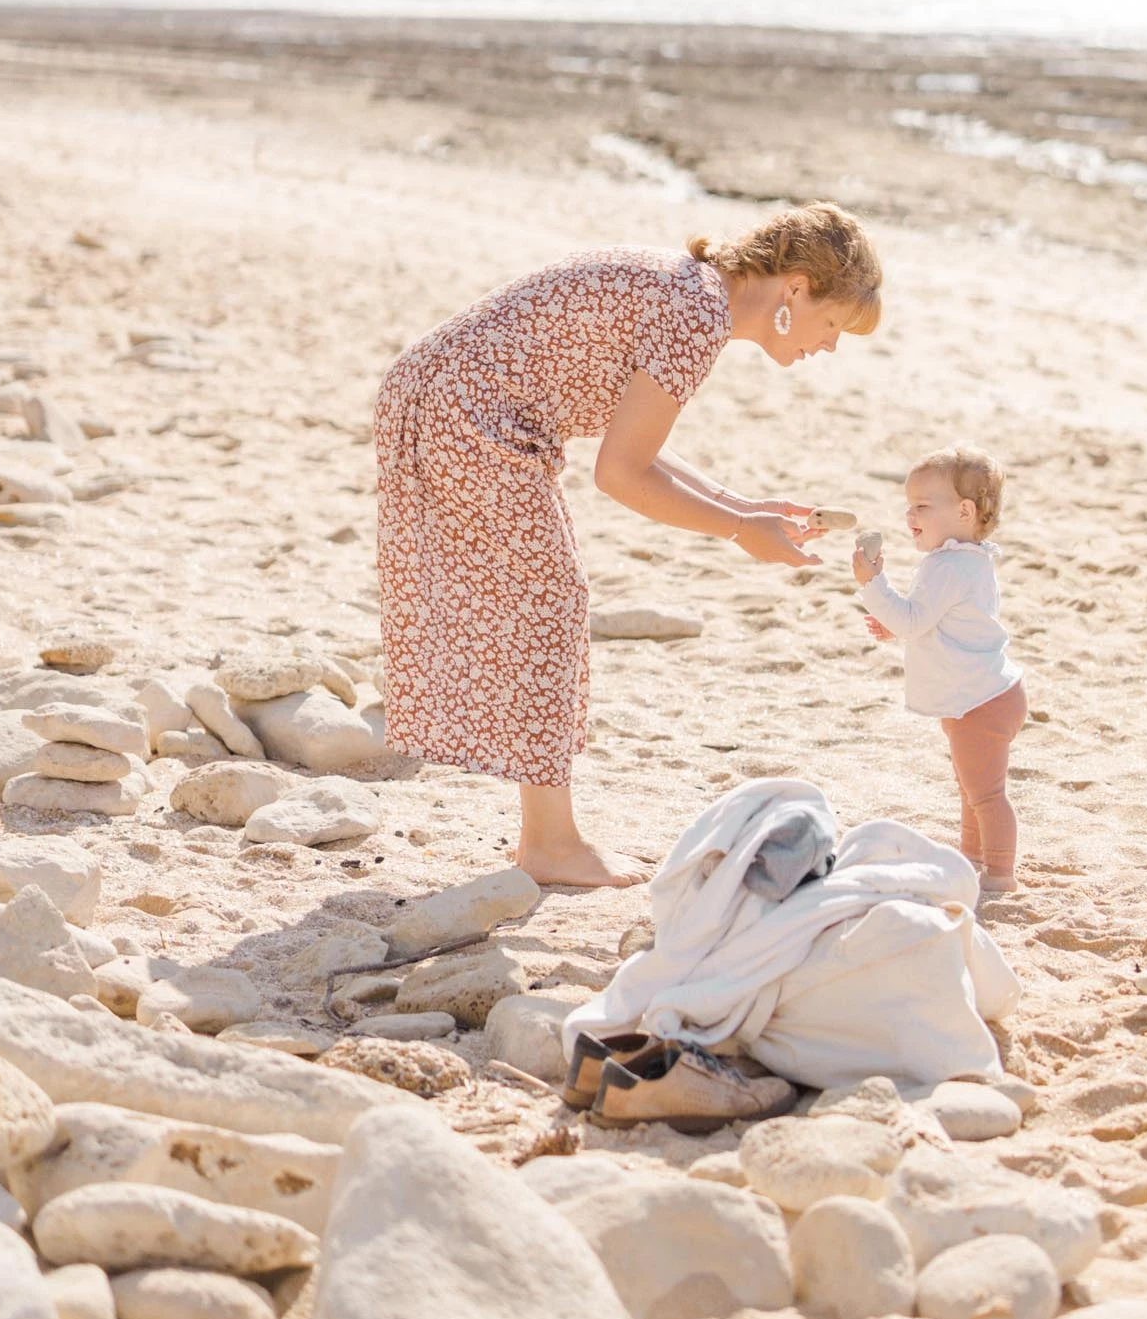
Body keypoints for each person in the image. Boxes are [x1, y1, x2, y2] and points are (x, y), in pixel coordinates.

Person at [373, 202, 883, 889]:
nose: (830, 346)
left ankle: (545, 837)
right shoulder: (698, 315)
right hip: (465, 410)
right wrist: (737, 530)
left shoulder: (695, 293)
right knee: (548, 604)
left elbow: (635, 449)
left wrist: (747, 509)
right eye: (834, 324)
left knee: (541, 602)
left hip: (444, 393)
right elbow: (619, 474)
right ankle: (549, 843)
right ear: (795, 287)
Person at [853, 448, 1026, 898]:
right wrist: (897, 626)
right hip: (982, 693)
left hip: (979, 700)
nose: (909, 514)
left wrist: (872, 583)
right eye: (909, 505)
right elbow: (938, 623)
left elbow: (914, 619)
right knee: (973, 790)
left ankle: (1001, 874)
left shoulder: (947, 565)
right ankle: (971, 862)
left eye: (923, 506)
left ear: (965, 511)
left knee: (985, 795)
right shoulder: (969, 560)